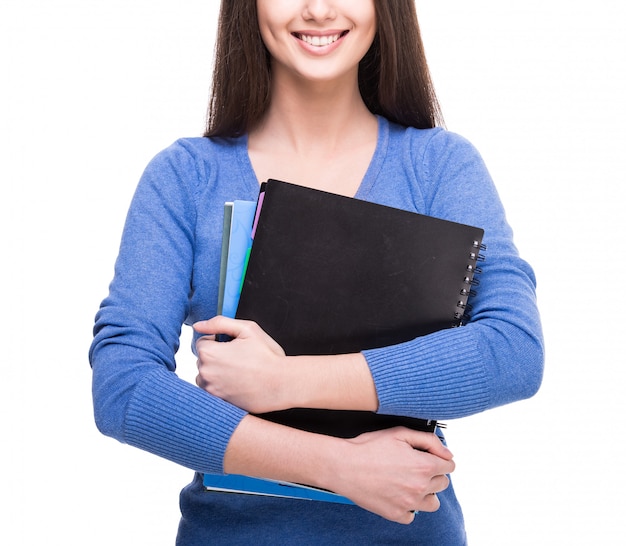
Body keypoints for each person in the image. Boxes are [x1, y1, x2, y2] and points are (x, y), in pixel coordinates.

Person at [89, 0, 544, 544]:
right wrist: (336, 466)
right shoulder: (187, 176)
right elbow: (123, 384)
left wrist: (285, 381)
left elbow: (514, 350)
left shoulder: (439, 166)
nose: (319, 9)